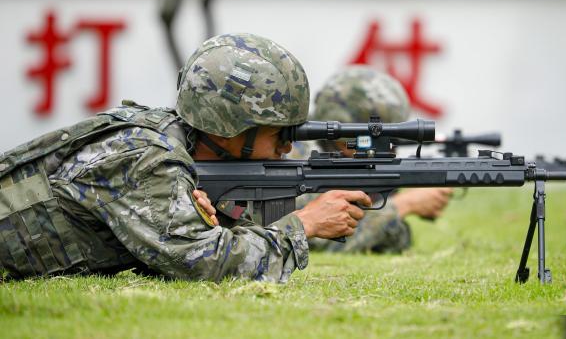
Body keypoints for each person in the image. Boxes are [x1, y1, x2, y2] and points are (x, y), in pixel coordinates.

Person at [0, 34, 371, 282]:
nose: (287, 148)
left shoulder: (174, 141)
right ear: (229, 125)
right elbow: (202, 261)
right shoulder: (147, 158)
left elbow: (172, 249)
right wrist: (304, 225)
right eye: (279, 132)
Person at [293, 65, 453, 253]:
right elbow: (323, 243)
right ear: (347, 140)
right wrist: (404, 205)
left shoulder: (347, 160)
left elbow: (391, 242)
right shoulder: (298, 157)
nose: (389, 150)